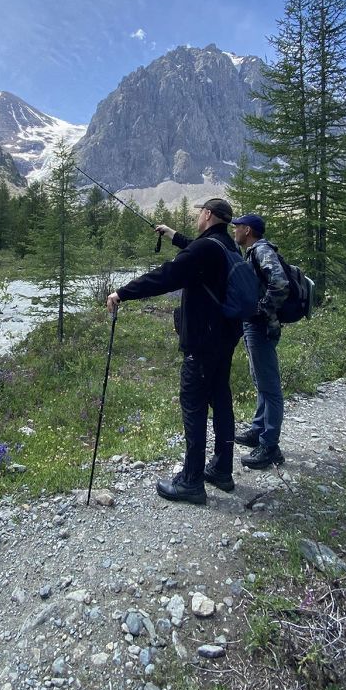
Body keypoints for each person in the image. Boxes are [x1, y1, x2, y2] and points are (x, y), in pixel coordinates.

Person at [106, 198, 242, 505]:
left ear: (207, 215)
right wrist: (171, 234)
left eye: (200, 213)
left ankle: (192, 481)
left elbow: (166, 276)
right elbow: (194, 249)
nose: (198, 217)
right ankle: (222, 469)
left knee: (193, 407)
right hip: (225, 340)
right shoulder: (226, 247)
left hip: (202, 343)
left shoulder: (204, 250)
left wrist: (122, 293)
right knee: (221, 402)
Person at [231, 214, 290, 470]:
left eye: (238, 227)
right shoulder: (253, 250)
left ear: (248, 230)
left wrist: (261, 309)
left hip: (261, 326)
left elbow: (280, 283)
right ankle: (258, 430)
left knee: (270, 387)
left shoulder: (262, 250)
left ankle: (270, 446)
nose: (235, 231)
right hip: (255, 325)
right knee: (260, 380)